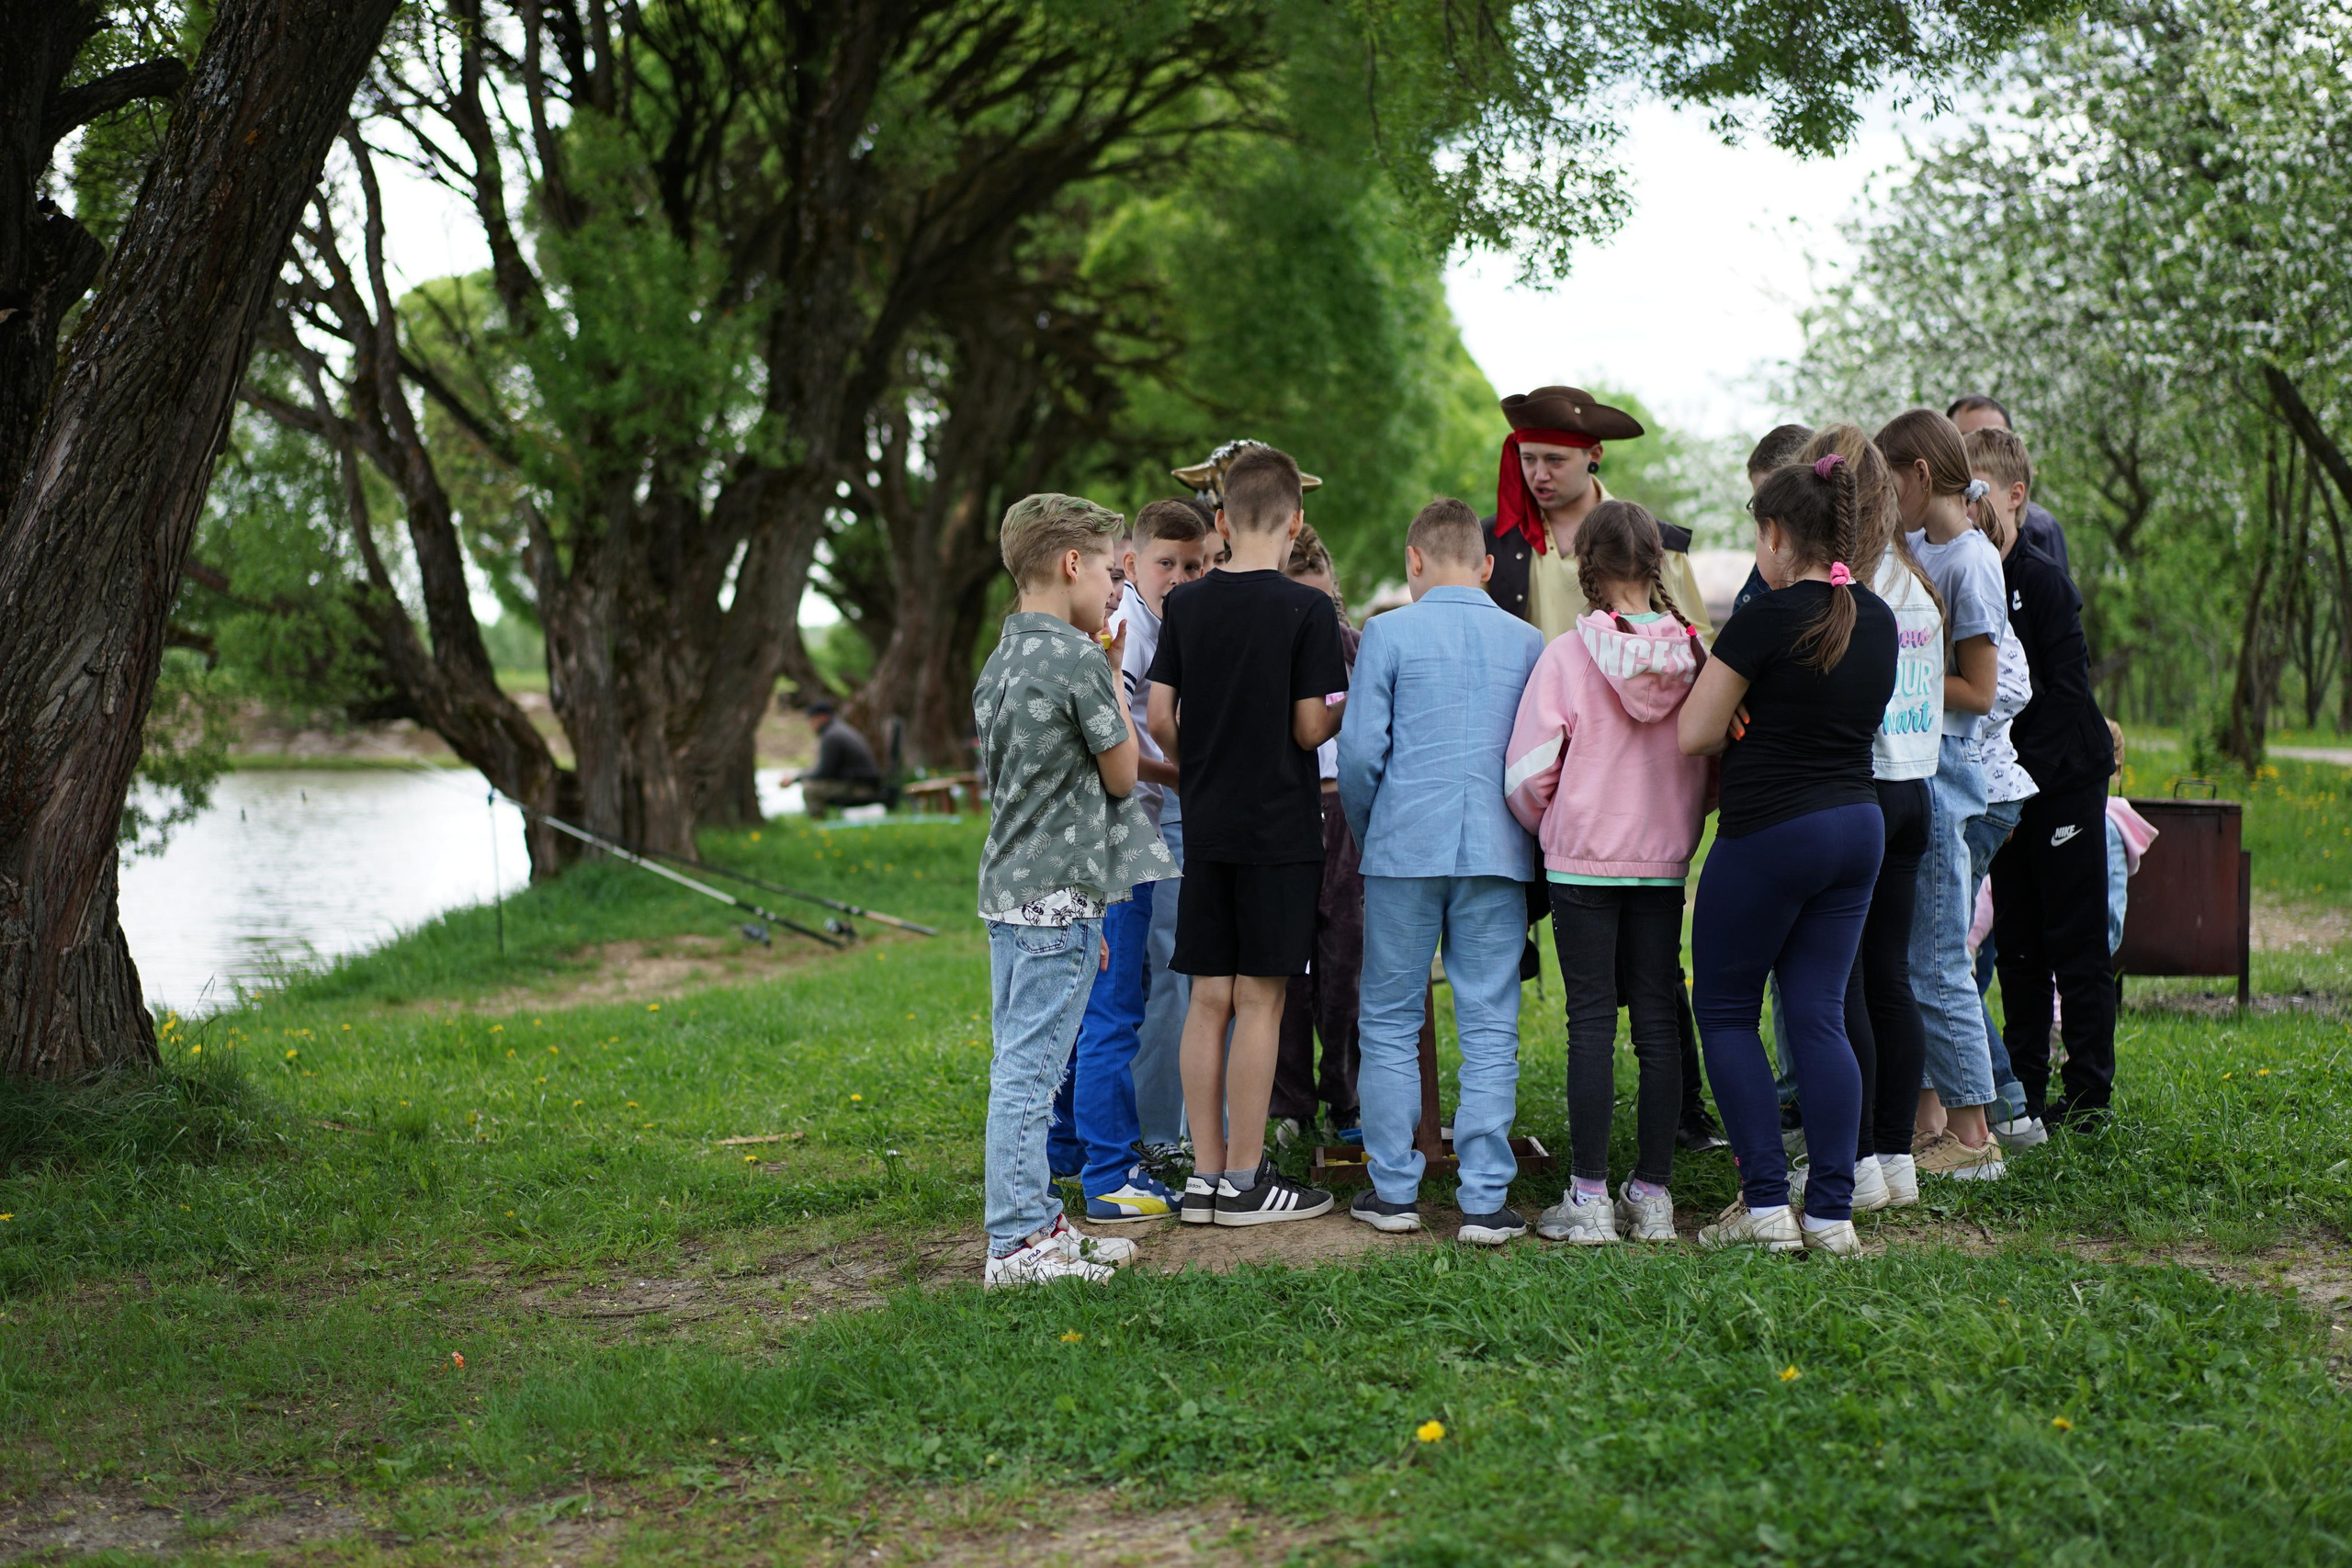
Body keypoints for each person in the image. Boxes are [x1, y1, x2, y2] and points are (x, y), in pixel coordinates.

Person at [1483, 384, 1726, 1154]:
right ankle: (1501, 1122)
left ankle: (1686, 1115)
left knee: (1653, 988)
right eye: (1528, 460)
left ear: (1594, 457)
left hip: (1620, 788)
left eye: (1555, 459)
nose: (1539, 474)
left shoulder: (1659, 544)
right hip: (1545, 775)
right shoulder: (1504, 547)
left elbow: (1699, 663)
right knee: (1516, 955)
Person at [1679, 453, 1896, 1257]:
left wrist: (1739, 712)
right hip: (1857, 828)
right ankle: (1833, 1213)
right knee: (1817, 1013)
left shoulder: (1766, 614)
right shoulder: (1872, 615)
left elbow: (1692, 732)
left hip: (1773, 831)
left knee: (1729, 1010)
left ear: (1774, 535)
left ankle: (1768, 1207)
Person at [972, 493, 1180, 1286]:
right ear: (1070, 564)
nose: (1113, 584)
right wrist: (1107, 663)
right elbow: (1123, 772)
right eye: (1107, 568)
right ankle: (1019, 1246)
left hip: (1014, 890)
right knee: (1030, 1071)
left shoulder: (1004, 657)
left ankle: (1043, 1223)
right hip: (1060, 895)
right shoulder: (1078, 658)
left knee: (1022, 1060)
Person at [1147, 446, 1347, 1225]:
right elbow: (1307, 727)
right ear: (1296, 522)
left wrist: (1204, 763)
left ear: (1221, 520)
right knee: (1260, 1001)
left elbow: (1161, 718)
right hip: (1280, 826)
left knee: (1207, 998)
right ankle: (1245, 1179)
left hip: (1209, 822)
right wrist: (1334, 709)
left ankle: (1202, 1179)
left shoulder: (1187, 605)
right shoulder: (1309, 612)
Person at [1503, 500, 1710, 1245]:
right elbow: (1712, 756)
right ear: (1656, 565)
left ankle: (1588, 1196)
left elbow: (1528, 770)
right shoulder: (1694, 655)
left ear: (1586, 568)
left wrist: (1552, 824)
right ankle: (1652, 1195)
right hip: (1661, 862)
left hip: (1583, 859)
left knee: (1590, 1021)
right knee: (1658, 1020)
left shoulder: (1566, 655)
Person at [1341, 497, 1545, 1243]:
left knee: (1390, 1016)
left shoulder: (1387, 633)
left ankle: (1393, 1189)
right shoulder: (1527, 640)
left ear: (1413, 560)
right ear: (1488, 565)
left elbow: (1361, 754)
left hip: (1402, 846)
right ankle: (1485, 1197)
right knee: (1490, 1016)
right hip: (1498, 848)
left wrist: (1373, 829)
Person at [1046, 503, 1210, 1221]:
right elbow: (1119, 754)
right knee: (1115, 1009)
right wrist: (1189, 772)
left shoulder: (1113, 635)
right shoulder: (1121, 638)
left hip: (1108, 841)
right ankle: (1114, 1167)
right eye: (1148, 567)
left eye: (1193, 564)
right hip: (1120, 844)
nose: (1176, 577)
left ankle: (1066, 1153)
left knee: (1094, 1005)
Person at [1876, 408, 2007, 1180]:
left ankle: (1971, 1135)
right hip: (1912, 765)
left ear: (1922, 475)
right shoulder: (1920, 545)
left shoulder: (1970, 562)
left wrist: (1899, 675)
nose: (1890, 503)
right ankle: (1928, 1123)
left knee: (1936, 957)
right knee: (1909, 952)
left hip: (1948, 766)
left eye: (1893, 484)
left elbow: (1981, 690)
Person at [1980, 428, 2120, 1130]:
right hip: (2007, 794)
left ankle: (2090, 1093)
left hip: (2061, 781)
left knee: (2075, 938)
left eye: (1981, 492)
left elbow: (2066, 691)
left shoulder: (2044, 580)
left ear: (2016, 497)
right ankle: (2025, 1093)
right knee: (2018, 941)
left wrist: (2022, 774)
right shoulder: (1966, 577)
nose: (1969, 507)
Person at [1114, 498, 1213, 1177]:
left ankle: (1161, 1120)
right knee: (1162, 977)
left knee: (1167, 970)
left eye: (1195, 564)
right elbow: (1114, 725)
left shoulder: (1172, 619)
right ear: (1131, 563)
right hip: (1136, 818)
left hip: (1161, 811)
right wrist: (1174, 772)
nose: (1180, 576)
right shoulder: (1128, 623)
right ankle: (1154, 1128)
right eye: (1166, 563)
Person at [1961, 425, 2044, 1145]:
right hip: (1982, 793)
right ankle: (1993, 1108)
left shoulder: (1978, 581)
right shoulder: (1975, 576)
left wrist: (1948, 692)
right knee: (1945, 954)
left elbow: (2004, 688)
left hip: (1983, 794)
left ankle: (2006, 1107)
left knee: (1942, 958)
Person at [1272, 524, 1365, 1149]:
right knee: (1285, 966)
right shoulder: (1265, 653)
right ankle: (1289, 1102)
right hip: (1285, 810)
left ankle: (1347, 1095)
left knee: (1346, 961)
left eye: (1323, 603)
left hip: (1347, 813)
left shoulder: (1357, 647)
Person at [1947, 394, 2071, 573]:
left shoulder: (2040, 528)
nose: (1976, 448)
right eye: (1965, 438)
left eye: (1992, 438)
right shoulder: (1923, 525)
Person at [797, 697, 885, 818]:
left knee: (810, 790)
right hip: (861, 783)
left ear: (823, 717)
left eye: (812, 720)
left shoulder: (832, 736)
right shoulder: (838, 730)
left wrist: (797, 777)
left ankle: (819, 826)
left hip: (860, 787)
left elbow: (824, 772)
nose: (810, 725)